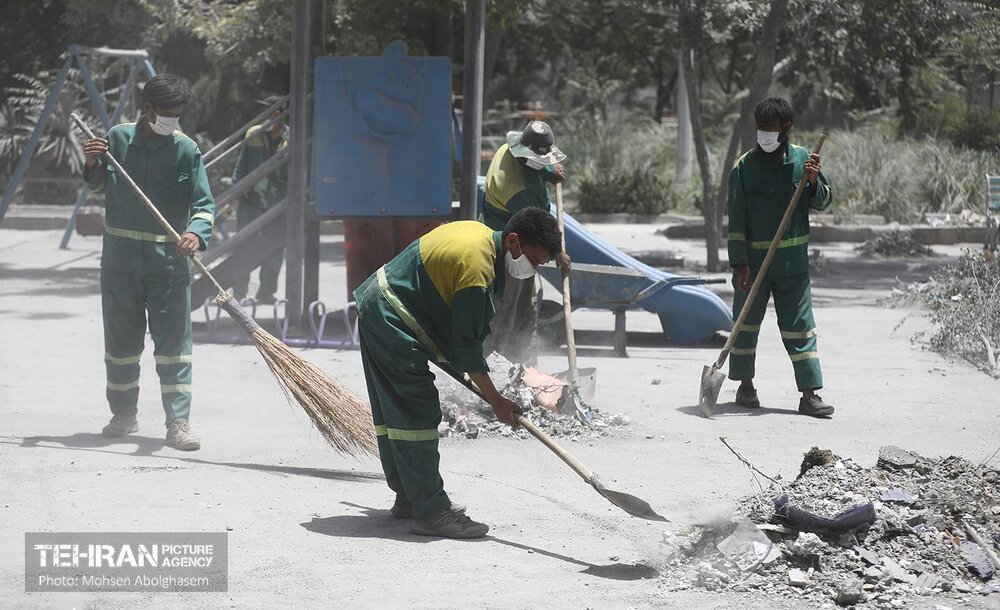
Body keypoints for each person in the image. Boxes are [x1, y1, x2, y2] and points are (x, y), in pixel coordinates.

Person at [353, 208, 562, 538]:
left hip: (378, 304)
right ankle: (431, 512)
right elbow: (466, 347)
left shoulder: (478, 236)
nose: (532, 270)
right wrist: (497, 401)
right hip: (391, 318)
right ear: (513, 241)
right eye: (534, 261)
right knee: (415, 413)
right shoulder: (476, 271)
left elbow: (453, 326)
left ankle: (411, 496)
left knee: (394, 412)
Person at [82, 74, 215, 449]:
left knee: (173, 345)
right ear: (149, 109)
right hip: (120, 263)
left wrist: (196, 233)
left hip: (168, 266)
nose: (173, 120)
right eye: (168, 113)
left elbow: (204, 204)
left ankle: (178, 423)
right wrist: (92, 161)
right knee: (121, 343)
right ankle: (124, 414)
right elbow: (97, 184)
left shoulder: (187, 150)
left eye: (178, 114)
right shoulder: (118, 139)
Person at [726, 96, 835, 418]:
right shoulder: (744, 167)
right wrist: (739, 264)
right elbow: (736, 219)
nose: (764, 135)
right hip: (755, 264)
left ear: (786, 128)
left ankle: (809, 394)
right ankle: (745, 386)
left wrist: (813, 181)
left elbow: (824, 202)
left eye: (770, 129)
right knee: (745, 324)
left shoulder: (805, 161)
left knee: (800, 328)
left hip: (793, 266)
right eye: (760, 128)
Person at [479, 121, 570, 364]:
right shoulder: (521, 192)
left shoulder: (507, 150)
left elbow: (529, 164)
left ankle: (523, 369)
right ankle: (492, 370)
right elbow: (538, 229)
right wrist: (558, 253)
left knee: (524, 310)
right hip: (511, 253)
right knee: (505, 314)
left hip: (500, 236)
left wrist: (547, 172)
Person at [231, 95, 288, 304]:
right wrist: (236, 191)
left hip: (277, 201)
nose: (262, 116)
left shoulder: (290, 138)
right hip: (251, 199)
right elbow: (241, 163)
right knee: (244, 245)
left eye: (268, 111)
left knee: (274, 249)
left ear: (279, 114)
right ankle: (240, 293)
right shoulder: (253, 134)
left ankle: (266, 292)